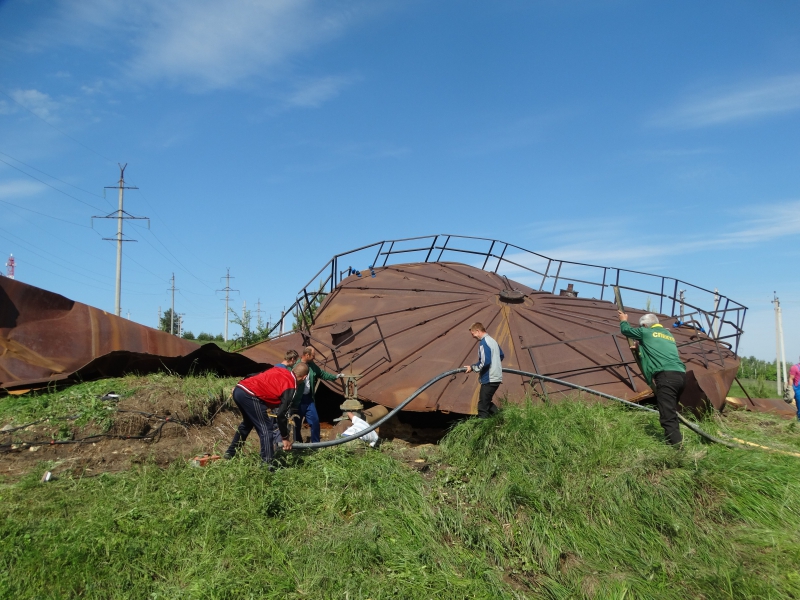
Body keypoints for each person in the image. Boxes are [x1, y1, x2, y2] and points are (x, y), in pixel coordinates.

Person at [618, 311, 686, 446]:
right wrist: (640, 348)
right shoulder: (668, 334)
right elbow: (657, 349)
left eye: (641, 326)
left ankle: (677, 450)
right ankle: (673, 442)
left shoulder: (646, 332)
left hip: (666, 377)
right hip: (681, 376)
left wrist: (623, 320)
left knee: (667, 416)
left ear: (644, 325)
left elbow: (626, 331)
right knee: (671, 412)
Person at [224, 362, 310, 465]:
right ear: (304, 377)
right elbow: (281, 414)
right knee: (266, 429)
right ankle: (267, 466)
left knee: (247, 424)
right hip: (250, 395)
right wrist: (285, 437)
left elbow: (254, 375)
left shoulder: (280, 370)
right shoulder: (291, 385)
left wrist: (239, 384)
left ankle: (230, 453)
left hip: (239, 389)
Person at [292, 346, 342, 443]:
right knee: (296, 423)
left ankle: (316, 443)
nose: (314, 358)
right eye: (313, 356)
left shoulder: (311, 365)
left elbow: (321, 373)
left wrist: (335, 377)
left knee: (315, 421)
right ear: (307, 355)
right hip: (298, 399)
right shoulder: (295, 365)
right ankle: (298, 443)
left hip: (308, 398)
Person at [463, 322, 505, 418]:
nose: (473, 337)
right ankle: (503, 419)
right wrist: (495, 365)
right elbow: (501, 355)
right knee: (486, 402)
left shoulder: (484, 342)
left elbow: (485, 361)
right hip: (496, 377)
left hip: (489, 378)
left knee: (482, 407)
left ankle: (482, 428)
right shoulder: (493, 341)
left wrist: (474, 368)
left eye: (473, 334)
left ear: (478, 331)